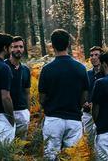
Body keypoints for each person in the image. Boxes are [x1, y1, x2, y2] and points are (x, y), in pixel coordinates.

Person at [38, 29, 89, 160]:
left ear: (52, 46)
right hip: (74, 119)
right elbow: (84, 96)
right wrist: (77, 106)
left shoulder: (47, 69)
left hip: (53, 119)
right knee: (73, 157)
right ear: (68, 44)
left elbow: (42, 98)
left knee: (51, 156)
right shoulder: (81, 68)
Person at [5, 36, 31, 138]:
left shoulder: (25, 69)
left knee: (21, 146)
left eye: (21, 46)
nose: (18, 49)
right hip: (6, 112)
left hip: (22, 112)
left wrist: (28, 112)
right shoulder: (3, 67)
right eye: (15, 47)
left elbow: (27, 92)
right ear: (9, 49)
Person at [82, 46, 104, 143]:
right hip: (87, 113)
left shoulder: (106, 74)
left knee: (101, 141)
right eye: (91, 55)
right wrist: (84, 102)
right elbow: (82, 91)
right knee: (88, 141)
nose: (93, 57)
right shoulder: (87, 74)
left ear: (101, 57)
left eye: (96, 55)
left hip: (102, 113)